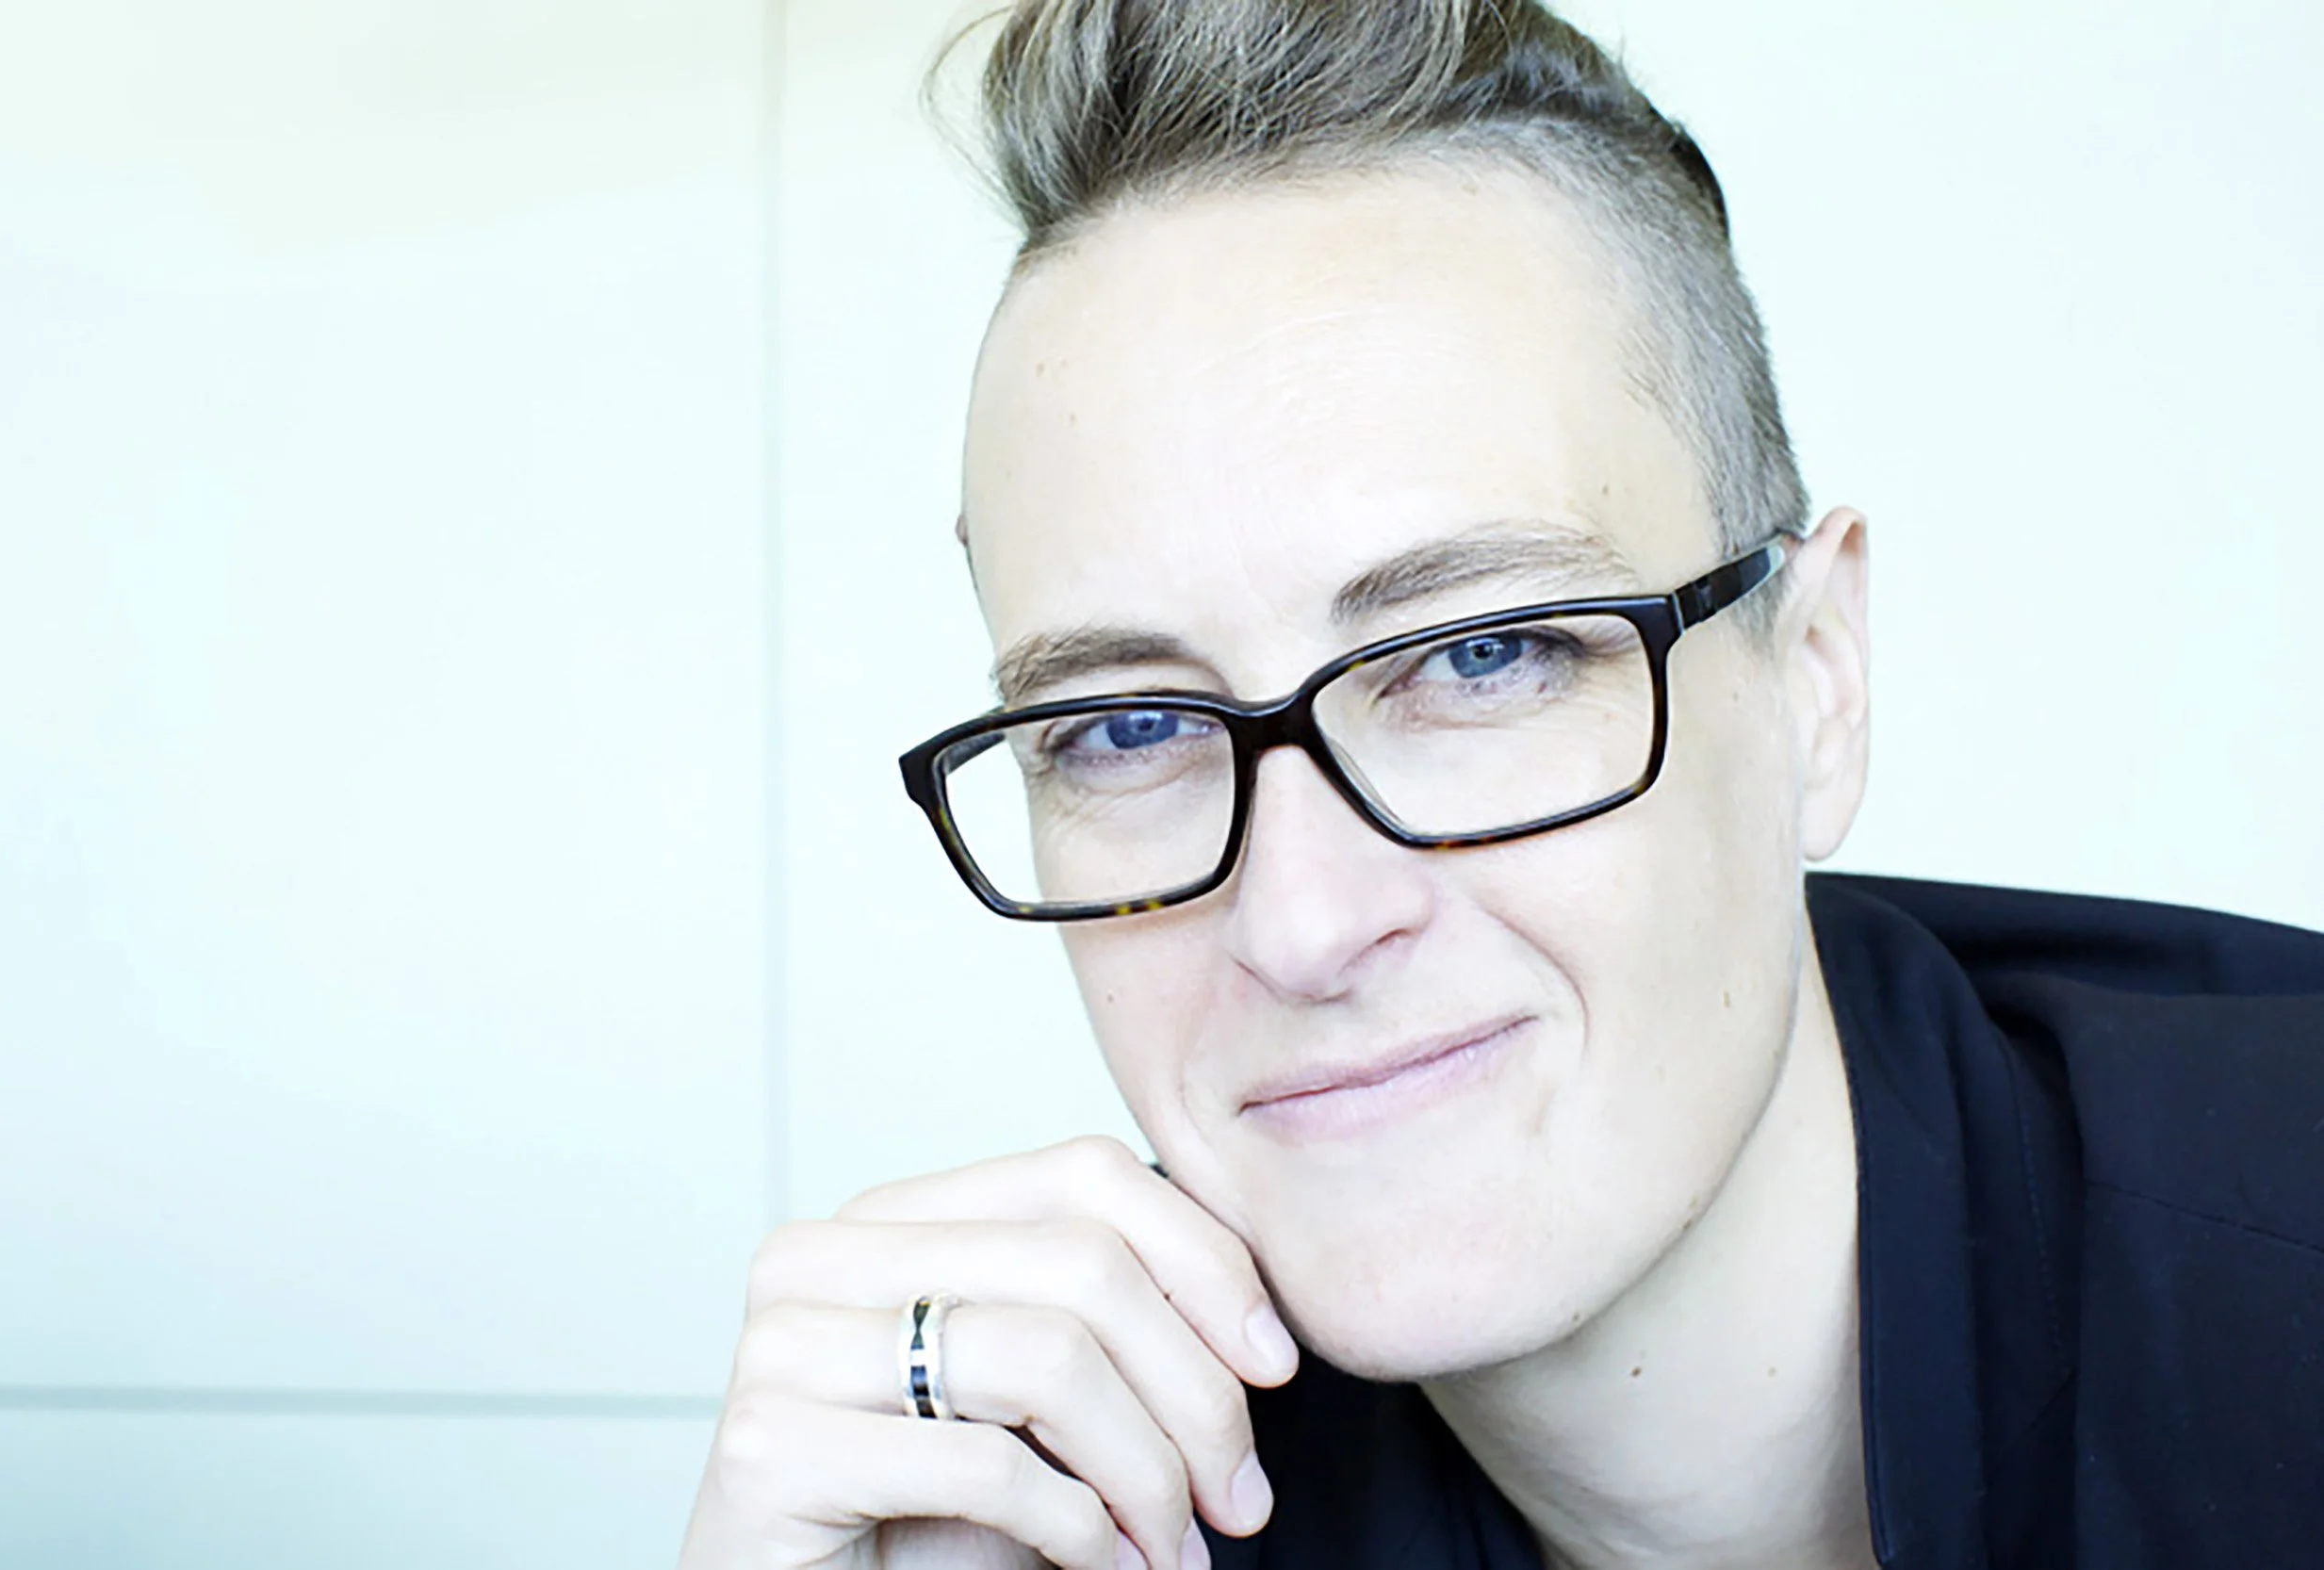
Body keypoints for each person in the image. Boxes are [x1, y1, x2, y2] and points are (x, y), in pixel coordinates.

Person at [679, 3, 2324, 1567]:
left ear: (1817, 682)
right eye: (1128, 729)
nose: (1305, 923)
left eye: (1482, 656)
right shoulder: (1079, 1494)